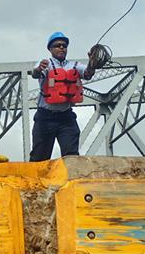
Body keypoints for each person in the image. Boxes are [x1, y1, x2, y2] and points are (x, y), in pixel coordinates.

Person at [29, 31, 96, 162]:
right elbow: (35, 73)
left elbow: (87, 74)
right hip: (45, 117)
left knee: (71, 156)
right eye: (57, 45)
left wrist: (92, 64)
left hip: (66, 117)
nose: (61, 48)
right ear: (50, 49)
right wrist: (38, 69)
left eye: (64, 46)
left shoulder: (74, 66)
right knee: (39, 157)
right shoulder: (45, 64)